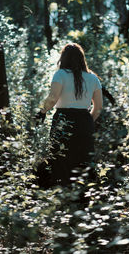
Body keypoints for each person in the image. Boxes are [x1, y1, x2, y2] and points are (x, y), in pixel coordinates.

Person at [39, 43, 103, 186]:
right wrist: (87, 122)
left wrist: (42, 112)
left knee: (60, 159)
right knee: (84, 159)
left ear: (63, 58)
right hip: (84, 121)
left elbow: (53, 98)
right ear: (82, 58)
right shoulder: (93, 78)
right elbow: (98, 108)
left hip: (63, 120)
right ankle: (84, 197)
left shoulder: (60, 74)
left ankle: (62, 196)